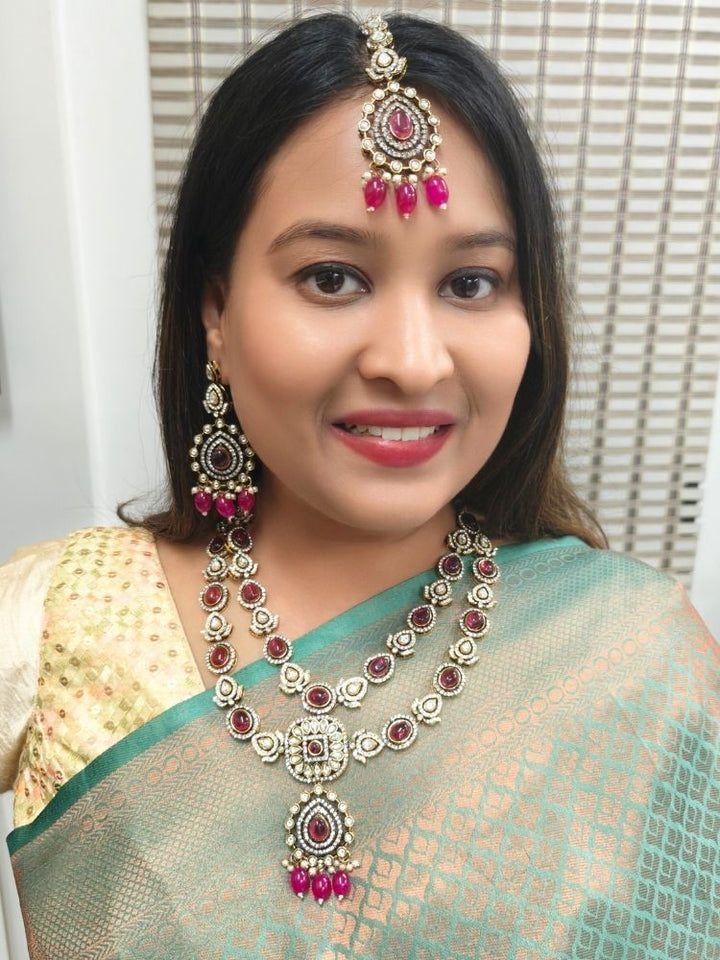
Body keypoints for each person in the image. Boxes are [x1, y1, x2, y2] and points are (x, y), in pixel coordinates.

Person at [1, 12, 717, 959]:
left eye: (470, 284)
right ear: (214, 309)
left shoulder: (635, 654)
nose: (414, 364)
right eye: (333, 276)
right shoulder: (54, 623)